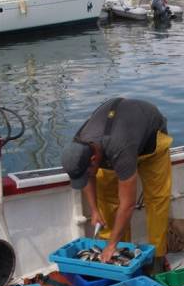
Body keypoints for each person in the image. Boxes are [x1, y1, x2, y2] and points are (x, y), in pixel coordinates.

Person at [61, 98, 172, 271]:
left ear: (93, 159)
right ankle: (119, 255)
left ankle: (157, 258)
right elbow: (88, 176)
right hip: (116, 138)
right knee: (107, 199)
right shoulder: (81, 143)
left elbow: (128, 205)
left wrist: (112, 245)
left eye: (88, 171)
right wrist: (95, 210)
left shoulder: (120, 148)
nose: (87, 176)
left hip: (151, 138)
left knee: (157, 199)